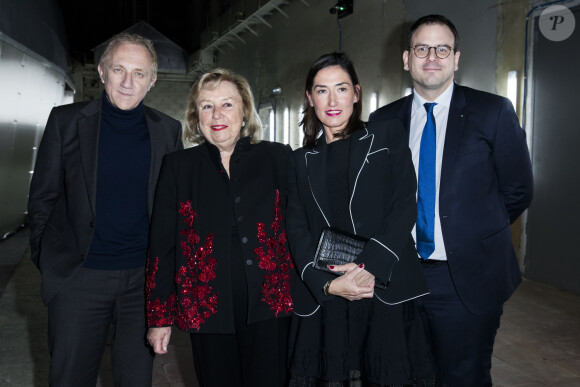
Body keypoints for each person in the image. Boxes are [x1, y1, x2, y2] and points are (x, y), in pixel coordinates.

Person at [369, 15, 534, 386]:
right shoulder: (382, 121)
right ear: (406, 59)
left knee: (464, 377)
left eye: (442, 48)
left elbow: (519, 189)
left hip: (466, 279)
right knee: (405, 375)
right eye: (421, 48)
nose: (432, 56)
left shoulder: (492, 112)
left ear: (456, 59)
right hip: (400, 275)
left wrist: (471, 232)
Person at [27, 33, 183, 385]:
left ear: (153, 80)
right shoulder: (66, 122)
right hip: (79, 279)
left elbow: (173, 209)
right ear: (102, 71)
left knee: (135, 380)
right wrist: (49, 260)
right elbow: (42, 199)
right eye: (119, 70)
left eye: (139, 73)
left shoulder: (167, 131)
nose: (128, 82)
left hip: (141, 285)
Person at [285, 52, 437, 386]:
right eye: (322, 90)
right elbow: (296, 228)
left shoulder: (386, 136)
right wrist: (326, 283)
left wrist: (369, 268)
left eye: (341, 88)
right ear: (310, 99)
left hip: (383, 288)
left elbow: (404, 205)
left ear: (356, 92)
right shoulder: (300, 160)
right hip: (327, 295)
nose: (332, 100)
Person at [146, 69, 295, 387]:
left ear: (244, 111)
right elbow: (162, 246)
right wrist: (159, 318)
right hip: (206, 311)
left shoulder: (278, 158)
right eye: (206, 106)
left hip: (271, 307)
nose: (217, 115)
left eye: (227, 104)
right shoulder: (178, 167)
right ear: (195, 116)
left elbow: (299, 228)